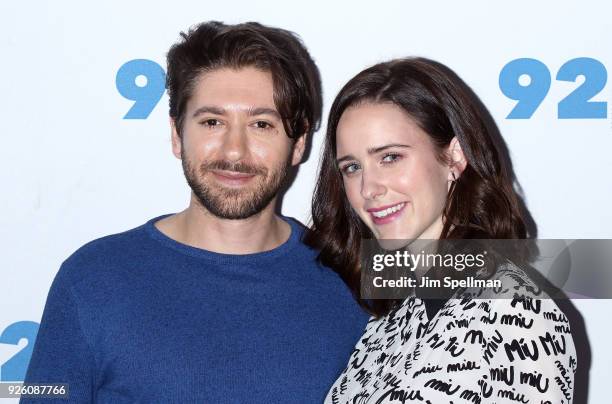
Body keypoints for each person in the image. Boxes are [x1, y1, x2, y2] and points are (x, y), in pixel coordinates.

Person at [22, 21, 368, 403]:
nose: (234, 150)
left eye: (261, 124)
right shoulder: (92, 279)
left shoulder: (351, 276)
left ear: (299, 142)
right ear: (176, 134)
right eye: (212, 122)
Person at [305, 58, 577, 403]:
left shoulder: (513, 312)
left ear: (454, 158)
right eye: (352, 167)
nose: (368, 188)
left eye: (390, 157)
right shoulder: (394, 317)